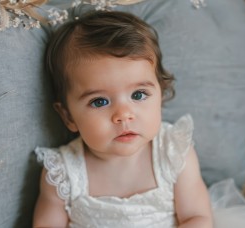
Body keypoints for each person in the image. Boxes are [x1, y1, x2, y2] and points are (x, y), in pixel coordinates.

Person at [32, 10, 213, 228]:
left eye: (138, 95)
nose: (123, 115)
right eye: (99, 101)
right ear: (68, 115)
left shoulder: (173, 153)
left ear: (160, 95)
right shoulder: (63, 174)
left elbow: (197, 218)